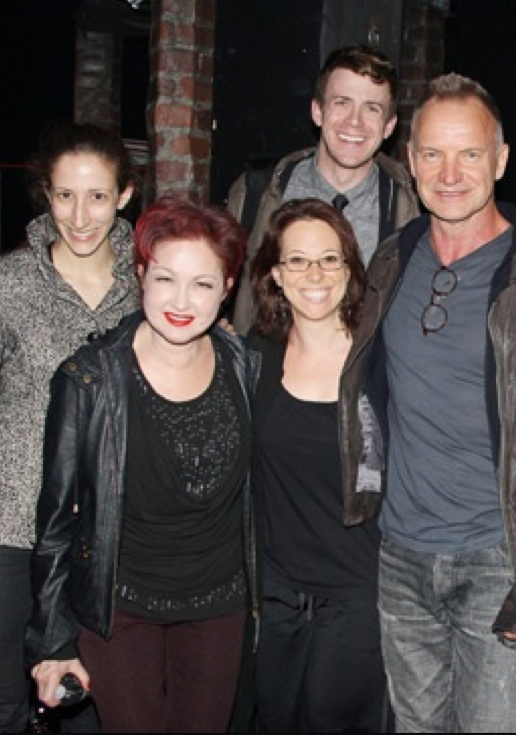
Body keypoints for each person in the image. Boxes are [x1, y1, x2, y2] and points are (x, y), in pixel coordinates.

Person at [343, 73, 516, 732]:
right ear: (410, 160)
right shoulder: (391, 260)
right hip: (400, 555)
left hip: (498, 559)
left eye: (470, 154)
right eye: (432, 153)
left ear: (501, 160)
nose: (449, 172)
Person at [26, 195, 258, 733]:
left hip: (219, 605)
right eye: (164, 278)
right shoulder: (88, 379)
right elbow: (56, 523)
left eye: (203, 283)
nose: (182, 299)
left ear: (227, 289)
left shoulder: (247, 368)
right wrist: (52, 640)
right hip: (120, 610)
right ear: (140, 276)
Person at [0, 122, 139, 733]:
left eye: (98, 196)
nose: (80, 216)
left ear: (125, 196)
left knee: (97, 705)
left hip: (109, 534)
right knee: (8, 700)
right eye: (64, 195)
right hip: (15, 526)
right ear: (46, 195)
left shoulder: (153, 284)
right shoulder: (10, 283)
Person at [243, 198, 390, 732]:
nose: (315, 274)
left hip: (357, 592)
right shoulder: (253, 361)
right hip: (277, 595)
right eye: (298, 261)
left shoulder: (379, 363)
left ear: (350, 271)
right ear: (276, 275)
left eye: (330, 259)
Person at [226, 43, 420, 334]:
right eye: (342, 102)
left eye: (372, 108)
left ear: (389, 125)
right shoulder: (258, 191)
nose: (354, 121)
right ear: (317, 111)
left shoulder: (408, 209)